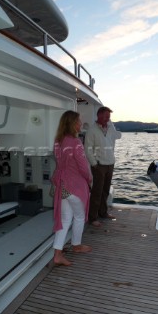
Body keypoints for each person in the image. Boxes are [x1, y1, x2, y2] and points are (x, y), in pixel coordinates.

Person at [51, 110, 93, 266]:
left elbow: (59, 163)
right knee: (80, 216)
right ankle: (76, 245)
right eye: (78, 121)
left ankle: (58, 254)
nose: (80, 124)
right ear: (72, 123)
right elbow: (83, 166)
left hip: (62, 186)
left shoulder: (58, 141)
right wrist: (89, 178)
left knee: (65, 219)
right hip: (74, 186)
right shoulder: (76, 142)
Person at [84, 106, 121, 227]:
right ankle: (92, 217)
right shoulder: (92, 130)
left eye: (109, 117)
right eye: (105, 116)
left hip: (110, 163)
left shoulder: (110, 129)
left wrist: (111, 124)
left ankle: (103, 213)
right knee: (97, 192)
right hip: (99, 165)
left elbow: (118, 136)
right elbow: (87, 149)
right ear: (98, 116)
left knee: (105, 191)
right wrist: (94, 164)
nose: (107, 119)